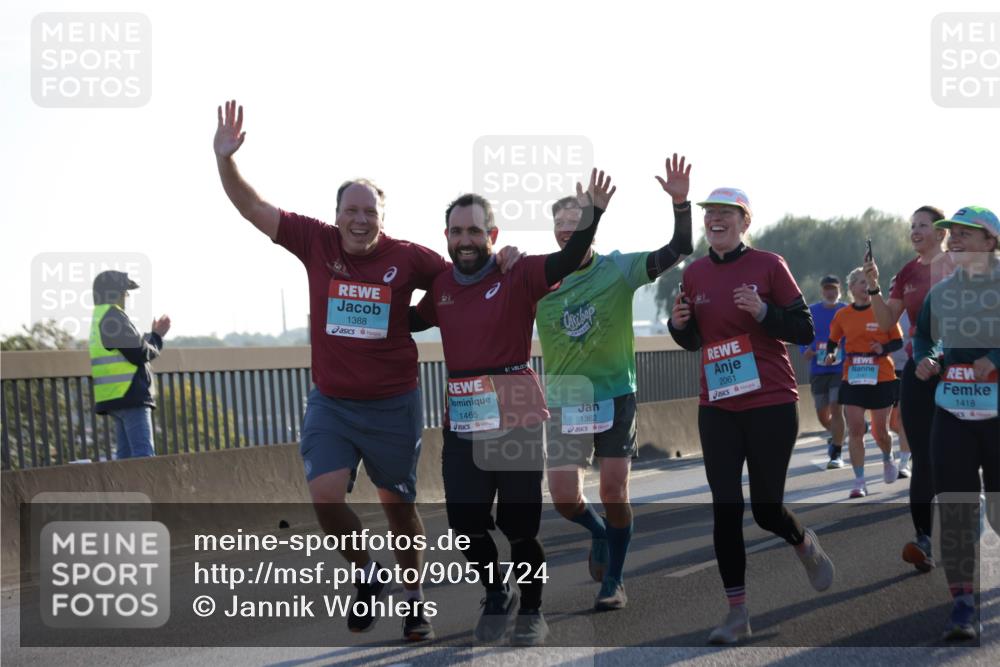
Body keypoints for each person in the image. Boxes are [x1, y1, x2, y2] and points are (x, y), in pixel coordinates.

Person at [212, 99, 523, 641]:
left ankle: (415, 599)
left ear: (383, 217)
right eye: (351, 211)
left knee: (399, 510)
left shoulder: (409, 257)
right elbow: (252, 207)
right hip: (331, 402)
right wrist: (225, 161)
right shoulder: (315, 241)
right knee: (325, 496)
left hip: (393, 403)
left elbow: (461, 276)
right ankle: (366, 575)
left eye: (370, 212)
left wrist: (502, 259)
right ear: (336, 216)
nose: (360, 220)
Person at [411, 169, 615, 646]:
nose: (466, 240)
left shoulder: (516, 272)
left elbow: (568, 257)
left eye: (475, 231)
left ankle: (533, 609)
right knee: (465, 525)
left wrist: (592, 216)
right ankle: (496, 590)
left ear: (493, 235)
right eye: (457, 231)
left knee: (519, 527)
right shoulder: (440, 286)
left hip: (517, 406)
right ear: (446, 237)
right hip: (463, 415)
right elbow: (405, 322)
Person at [668, 187, 833, 645]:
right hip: (718, 405)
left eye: (725, 214)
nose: (715, 220)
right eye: (710, 215)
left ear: (745, 221)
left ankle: (803, 541)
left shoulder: (769, 265)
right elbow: (692, 339)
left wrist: (763, 311)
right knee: (725, 507)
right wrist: (678, 325)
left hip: (771, 402)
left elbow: (803, 329)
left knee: (765, 509)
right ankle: (737, 613)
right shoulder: (695, 273)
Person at [536, 154, 693, 611]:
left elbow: (677, 248)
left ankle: (615, 582)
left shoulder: (619, 269)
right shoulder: (539, 280)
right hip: (566, 401)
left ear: (591, 227)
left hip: (615, 398)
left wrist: (680, 205)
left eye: (575, 222)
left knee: (612, 491)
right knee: (565, 497)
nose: (567, 230)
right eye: (560, 224)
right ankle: (600, 533)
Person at [912, 205, 1000, 640]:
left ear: (991, 242)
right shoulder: (942, 292)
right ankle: (963, 606)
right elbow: (925, 335)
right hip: (953, 411)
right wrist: (927, 359)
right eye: (952, 233)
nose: (956, 239)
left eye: (967, 233)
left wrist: (995, 359)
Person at [863, 205, 952, 572]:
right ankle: (924, 540)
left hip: (959, 371)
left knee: (956, 456)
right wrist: (873, 285)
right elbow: (886, 322)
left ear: (942, 232)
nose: (915, 230)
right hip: (918, 372)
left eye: (923, 225)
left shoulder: (959, 266)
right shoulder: (908, 272)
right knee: (923, 457)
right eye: (912, 225)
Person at [825, 268, 904, 499]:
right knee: (856, 428)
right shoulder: (843, 315)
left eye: (867, 282)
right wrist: (830, 354)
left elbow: (897, 341)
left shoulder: (882, 311)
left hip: (881, 375)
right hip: (853, 375)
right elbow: (832, 340)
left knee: (881, 431)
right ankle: (859, 481)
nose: (864, 286)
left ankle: (888, 458)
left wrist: (883, 348)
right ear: (851, 288)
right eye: (860, 282)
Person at [90, 270, 170, 459]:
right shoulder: (113, 317)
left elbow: (130, 347)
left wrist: (151, 337)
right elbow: (139, 353)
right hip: (130, 396)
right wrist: (157, 337)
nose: (126, 297)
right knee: (143, 459)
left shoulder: (100, 317)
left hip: (114, 396)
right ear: (114, 294)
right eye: (125, 292)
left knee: (125, 461)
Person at [800, 275, 847, 468]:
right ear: (822, 291)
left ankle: (836, 452)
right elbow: (803, 336)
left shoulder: (845, 310)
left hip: (839, 368)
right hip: (818, 370)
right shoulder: (812, 311)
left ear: (840, 290)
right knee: (822, 415)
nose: (831, 293)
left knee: (836, 406)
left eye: (834, 289)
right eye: (827, 289)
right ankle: (839, 434)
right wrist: (806, 350)